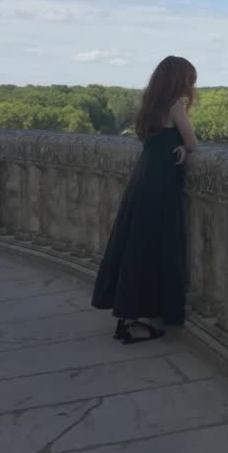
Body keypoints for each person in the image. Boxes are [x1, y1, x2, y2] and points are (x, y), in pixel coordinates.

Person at [91, 55, 199, 343]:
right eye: (190, 80)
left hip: (144, 178)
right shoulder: (175, 105)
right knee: (151, 245)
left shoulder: (150, 105)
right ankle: (129, 323)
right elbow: (192, 142)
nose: (192, 86)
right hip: (161, 183)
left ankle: (128, 317)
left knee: (136, 243)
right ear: (180, 80)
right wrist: (185, 149)